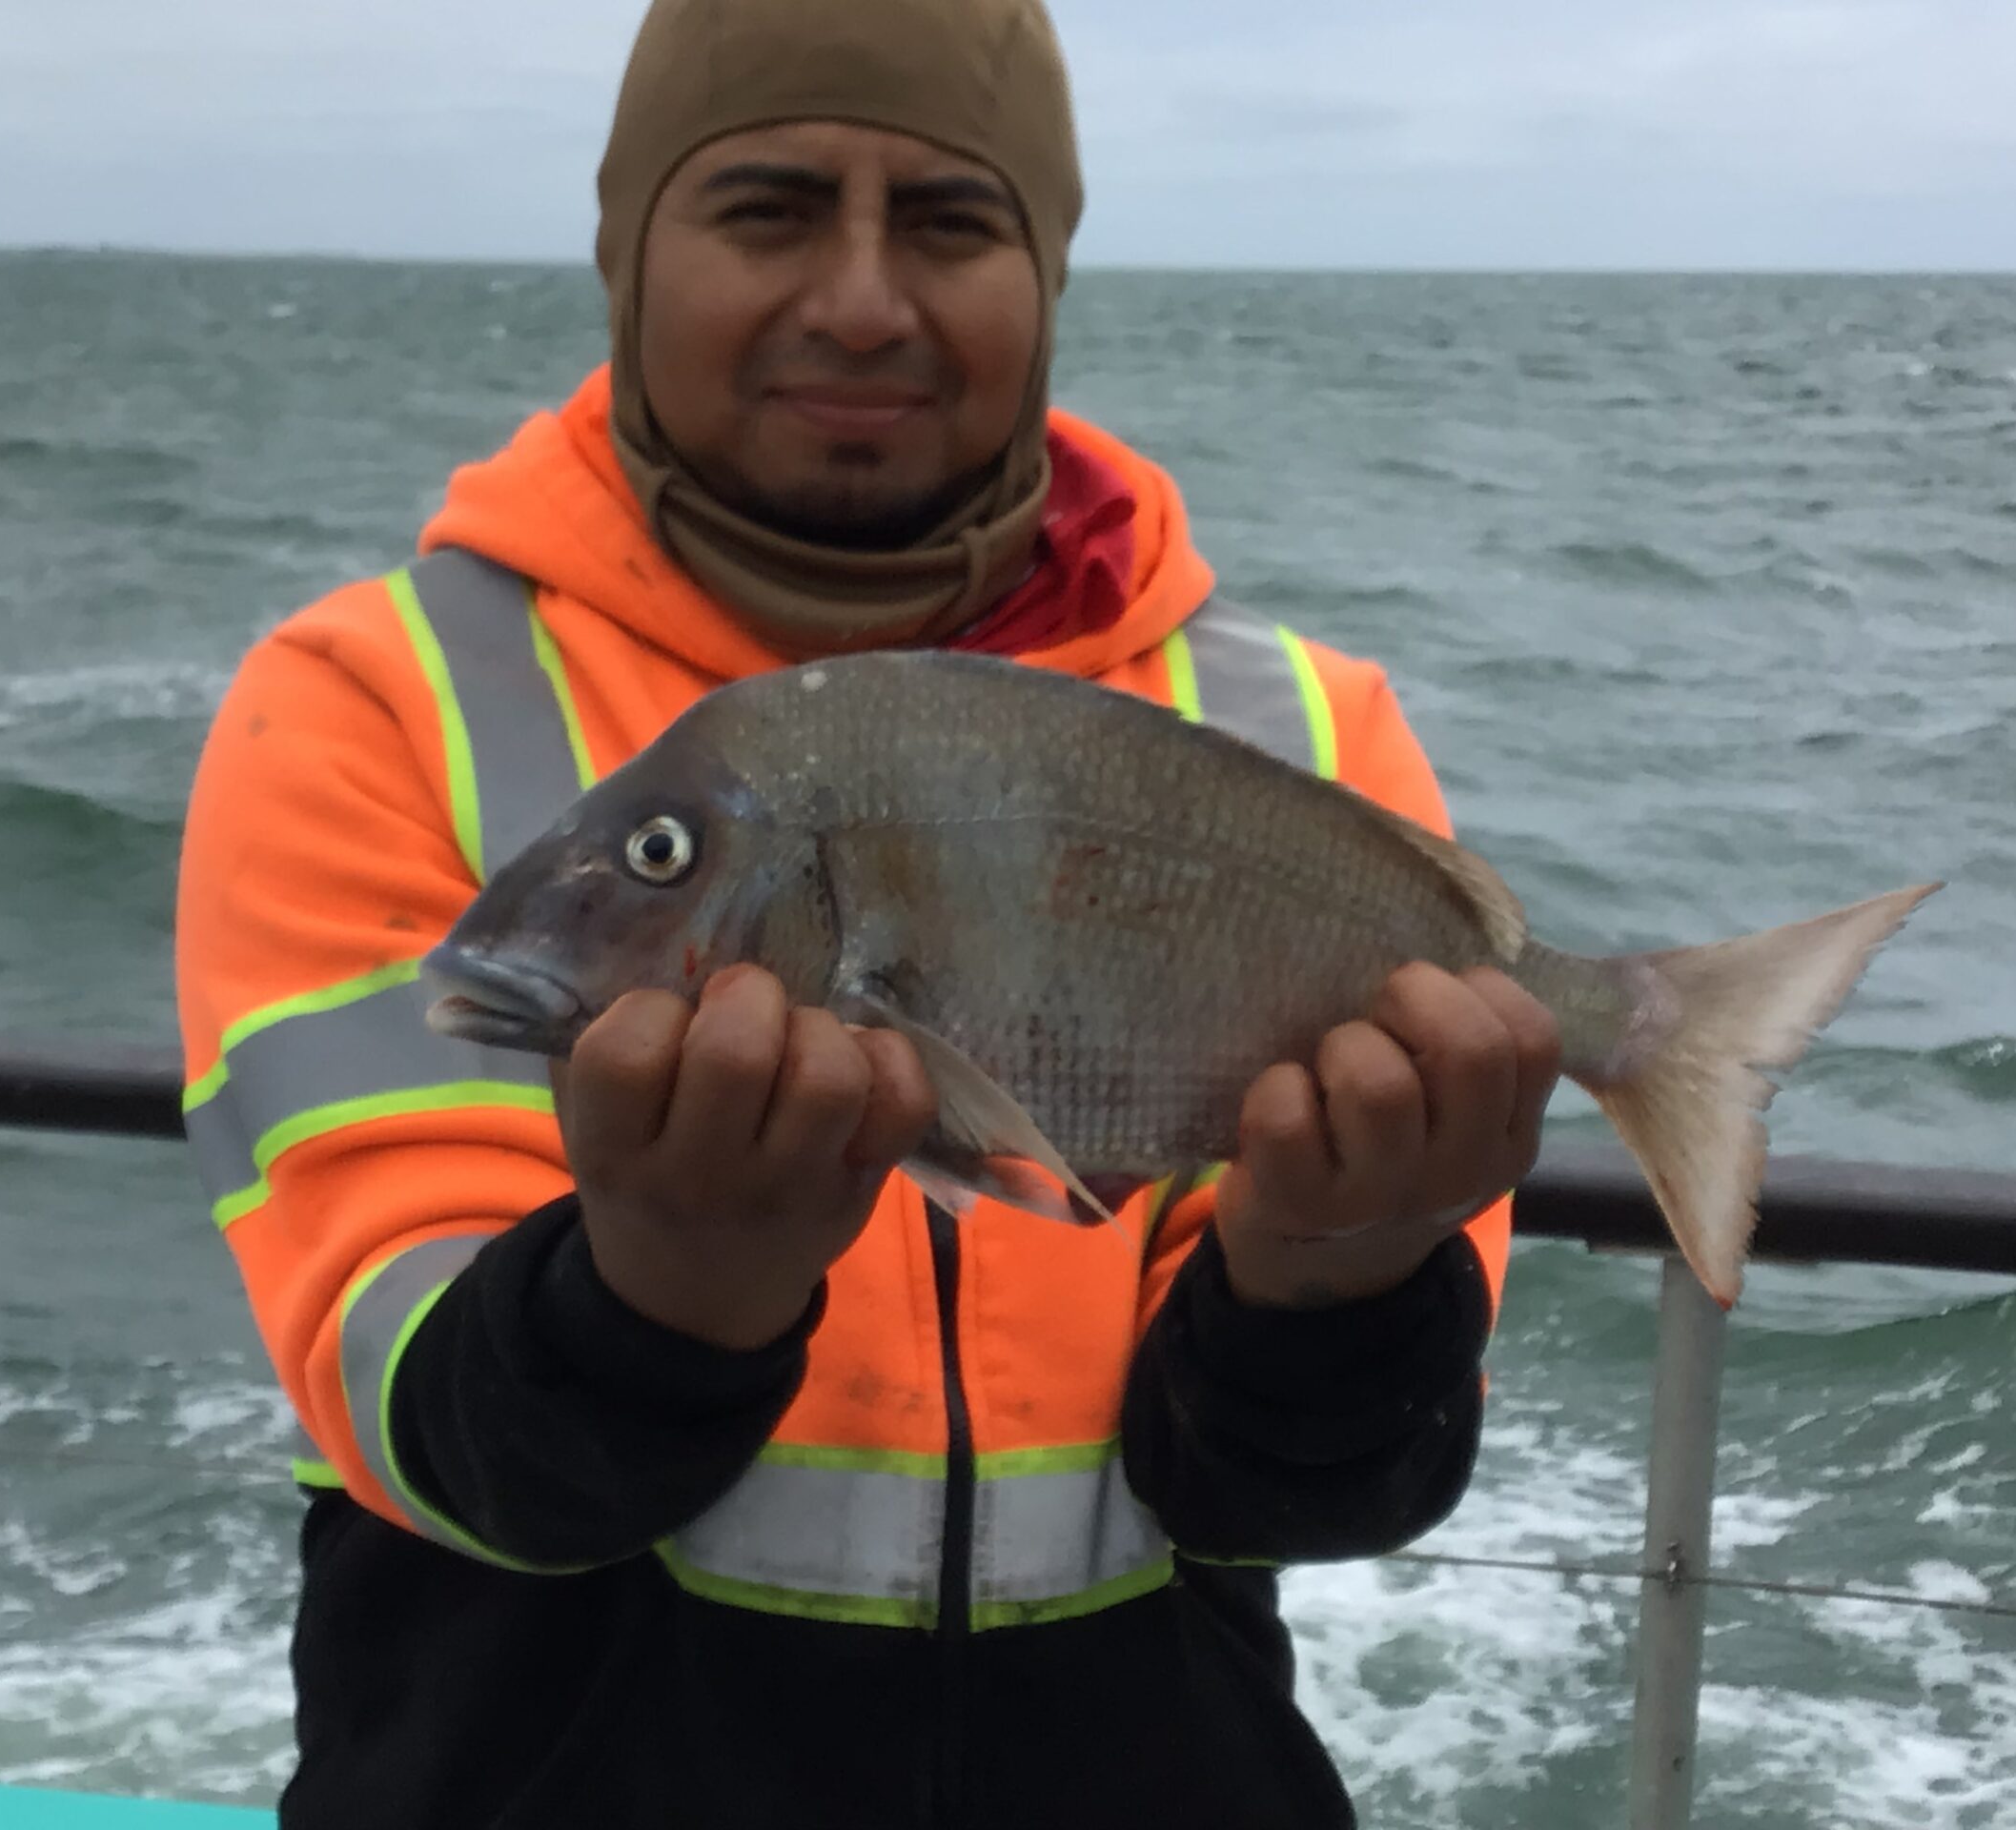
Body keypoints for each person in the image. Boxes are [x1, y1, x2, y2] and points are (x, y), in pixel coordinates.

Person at [173, 0, 1560, 1823]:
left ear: (1046, 272)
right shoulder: (375, 699)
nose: (858, 300)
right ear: (626, 253)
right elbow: (437, 1433)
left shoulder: (1301, 734)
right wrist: (667, 1289)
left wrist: (1333, 1280)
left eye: (949, 223)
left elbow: (1315, 1497)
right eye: (766, 208)